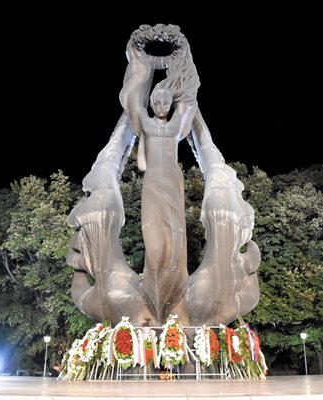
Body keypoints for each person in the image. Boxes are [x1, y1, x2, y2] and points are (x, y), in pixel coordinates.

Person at [119, 34, 199, 323]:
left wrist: (183, 63)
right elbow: (141, 164)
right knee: (155, 234)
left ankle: (176, 282)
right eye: (159, 100)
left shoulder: (176, 125)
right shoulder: (148, 126)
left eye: (167, 100)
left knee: (177, 232)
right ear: (152, 102)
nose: (164, 103)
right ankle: (153, 278)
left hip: (173, 180)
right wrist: (141, 67)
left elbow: (188, 105)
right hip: (153, 182)